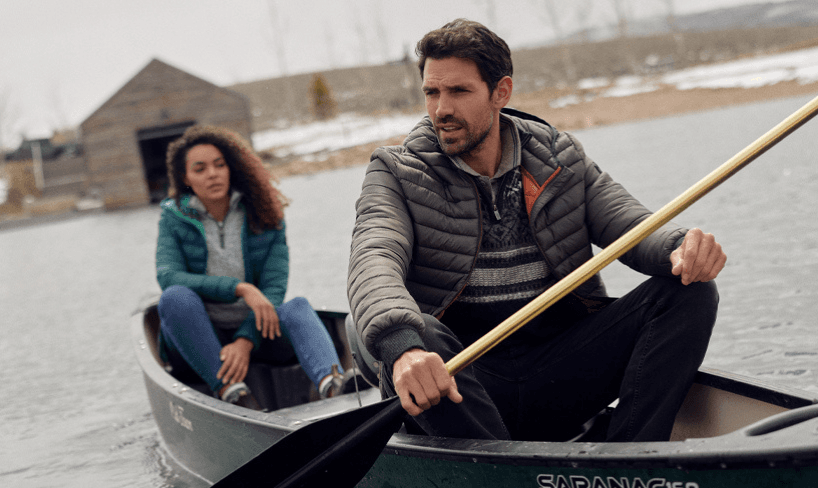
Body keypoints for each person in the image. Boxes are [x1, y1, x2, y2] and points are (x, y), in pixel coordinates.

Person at [348, 19, 727, 442]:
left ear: (501, 92)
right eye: (432, 92)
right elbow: (373, 259)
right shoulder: (395, 172)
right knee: (418, 332)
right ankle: (499, 469)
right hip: (460, 385)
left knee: (689, 291)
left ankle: (633, 458)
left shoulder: (559, 157)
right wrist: (403, 347)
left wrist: (680, 247)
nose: (441, 109)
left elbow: (630, 224)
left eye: (459, 91)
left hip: (559, 372)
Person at [156, 124, 352, 409]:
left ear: (231, 169)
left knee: (296, 306)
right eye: (200, 169)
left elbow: (274, 287)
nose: (212, 174)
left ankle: (334, 384)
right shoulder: (173, 218)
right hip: (197, 337)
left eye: (219, 165)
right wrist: (241, 288)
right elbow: (168, 276)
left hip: (259, 328)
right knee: (174, 298)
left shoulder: (265, 213)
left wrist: (245, 340)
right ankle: (233, 392)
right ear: (185, 177)